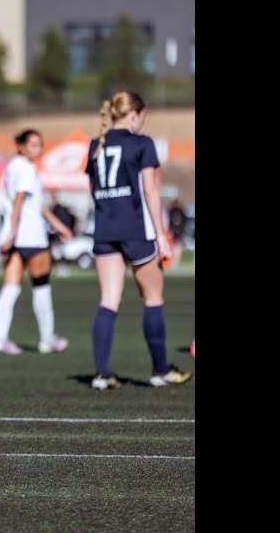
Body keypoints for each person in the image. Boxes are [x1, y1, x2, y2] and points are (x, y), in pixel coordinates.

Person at [85, 91, 192, 389]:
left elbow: (93, 190)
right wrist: (161, 234)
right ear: (135, 115)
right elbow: (150, 191)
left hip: (105, 231)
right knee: (153, 297)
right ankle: (160, 370)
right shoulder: (142, 144)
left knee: (108, 301)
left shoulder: (97, 144)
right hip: (136, 231)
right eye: (143, 116)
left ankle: (102, 374)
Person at [0, 129, 74, 355]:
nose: (38, 149)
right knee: (41, 287)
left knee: (10, 288)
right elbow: (20, 202)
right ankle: (47, 340)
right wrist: (14, 233)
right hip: (31, 236)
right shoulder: (26, 169)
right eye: (34, 145)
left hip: (16, 236)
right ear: (21, 145)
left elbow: (33, 203)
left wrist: (56, 224)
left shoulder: (13, 166)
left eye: (40, 145)